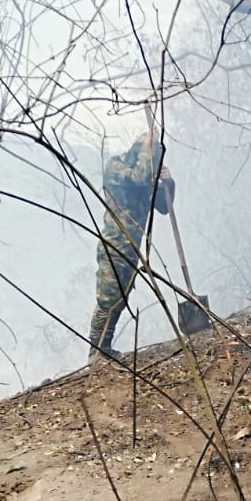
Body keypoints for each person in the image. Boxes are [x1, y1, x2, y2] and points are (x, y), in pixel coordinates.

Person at [88, 125, 174, 363]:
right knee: (107, 298)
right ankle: (96, 351)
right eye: (150, 155)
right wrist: (150, 147)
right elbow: (137, 178)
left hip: (132, 248)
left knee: (121, 299)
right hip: (114, 246)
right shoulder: (116, 168)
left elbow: (164, 207)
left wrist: (167, 182)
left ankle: (104, 349)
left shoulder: (146, 179)